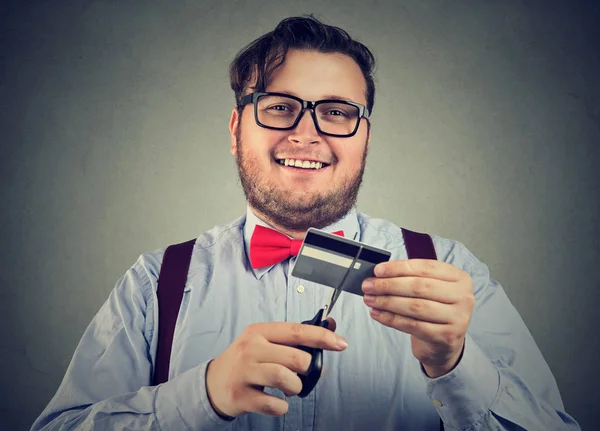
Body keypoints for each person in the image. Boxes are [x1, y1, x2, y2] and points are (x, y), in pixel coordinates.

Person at [32, 15, 580, 430]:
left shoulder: (451, 272)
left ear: (365, 135)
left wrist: (456, 364)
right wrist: (200, 395)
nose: (307, 133)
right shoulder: (156, 284)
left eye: (337, 112)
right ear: (235, 127)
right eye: (278, 106)